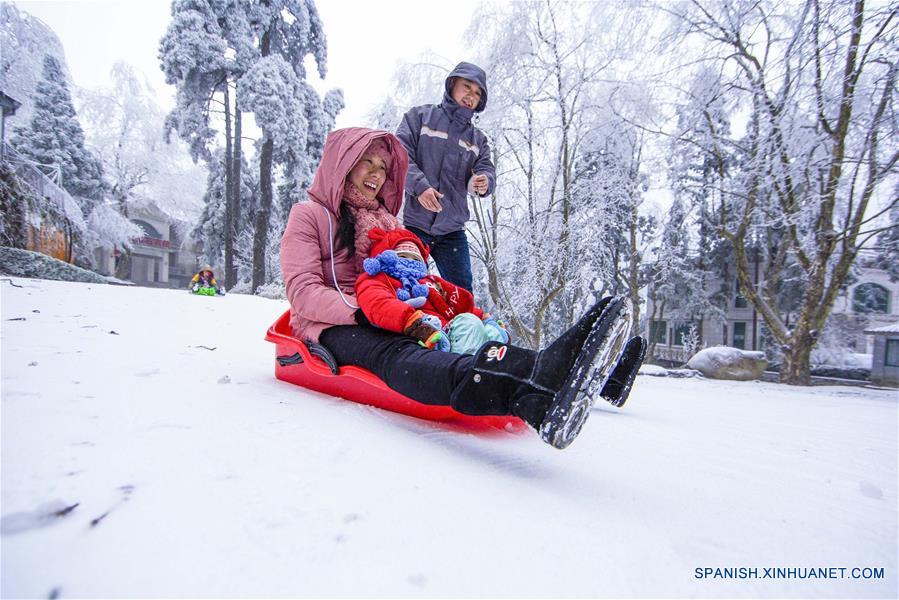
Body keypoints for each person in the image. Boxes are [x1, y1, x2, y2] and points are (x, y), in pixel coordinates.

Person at [280, 127, 645, 450]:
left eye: (383, 167)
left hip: (389, 306)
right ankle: (530, 393)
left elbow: (409, 275)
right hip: (334, 324)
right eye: (368, 162)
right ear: (342, 163)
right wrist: (362, 312)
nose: (377, 174)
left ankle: (593, 376)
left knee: (464, 327)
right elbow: (302, 291)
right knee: (400, 354)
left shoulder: (387, 221)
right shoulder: (310, 215)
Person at [395, 61, 496, 293]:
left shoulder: (478, 140)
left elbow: (485, 170)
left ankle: (459, 329)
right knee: (406, 285)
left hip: (452, 231)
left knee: (462, 294)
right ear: (452, 85)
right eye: (467, 87)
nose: (471, 95)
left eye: (478, 93)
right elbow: (400, 156)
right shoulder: (420, 117)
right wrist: (420, 187)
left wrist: (482, 182)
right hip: (414, 225)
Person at [355, 226, 509, 355]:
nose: (409, 261)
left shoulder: (430, 283)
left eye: (416, 259)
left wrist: (483, 318)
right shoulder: (380, 279)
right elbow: (378, 304)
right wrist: (415, 324)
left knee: (490, 332)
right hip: (425, 337)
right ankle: (472, 371)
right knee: (468, 324)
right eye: (402, 256)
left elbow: (452, 307)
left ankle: (498, 371)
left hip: (448, 330)